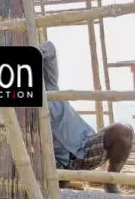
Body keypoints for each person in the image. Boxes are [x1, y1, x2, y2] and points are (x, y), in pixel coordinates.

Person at [45, 40, 133, 192]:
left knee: (123, 130)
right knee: (55, 192)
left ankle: (110, 183)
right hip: (57, 163)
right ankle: (63, 184)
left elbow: (49, 48)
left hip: (86, 147)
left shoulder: (50, 84)